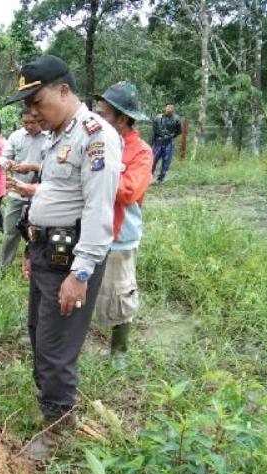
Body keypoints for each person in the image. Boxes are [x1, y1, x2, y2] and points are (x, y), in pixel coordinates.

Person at [4, 55, 122, 457]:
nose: (33, 113)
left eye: (37, 102)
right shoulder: (57, 135)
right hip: (45, 250)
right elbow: (54, 194)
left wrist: (81, 273)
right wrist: (29, 246)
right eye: (28, 106)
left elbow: (98, 209)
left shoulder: (95, 136)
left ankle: (57, 430)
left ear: (64, 90)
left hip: (69, 259)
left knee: (56, 345)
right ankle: (49, 405)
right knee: (39, 332)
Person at [93, 82, 153, 369]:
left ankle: (119, 352)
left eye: (104, 113)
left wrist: (96, 175)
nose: (99, 117)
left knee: (121, 293)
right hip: (91, 230)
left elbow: (129, 191)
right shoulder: (96, 143)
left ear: (122, 118)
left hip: (120, 235)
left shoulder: (141, 152)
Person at [0, 107, 49, 271]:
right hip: (16, 193)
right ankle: (2, 268)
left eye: (32, 122)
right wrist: (7, 163)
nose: (29, 126)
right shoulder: (16, 136)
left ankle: (34, 269)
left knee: (37, 234)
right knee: (10, 232)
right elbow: (2, 158)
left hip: (39, 194)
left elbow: (54, 167)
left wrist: (33, 167)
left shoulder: (50, 137)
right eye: (25, 123)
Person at [151, 103, 182, 183]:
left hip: (169, 142)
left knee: (166, 161)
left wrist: (171, 136)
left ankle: (160, 179)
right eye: (168, 107)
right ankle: (148, 177)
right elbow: (154, 130)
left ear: (174, 109)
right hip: (158, 142)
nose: (170, 109)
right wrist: (152, 142)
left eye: (172, 108)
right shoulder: (158, 117)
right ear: (165, 108)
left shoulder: (177, 119)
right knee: (153, 160)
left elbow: (179, 131)